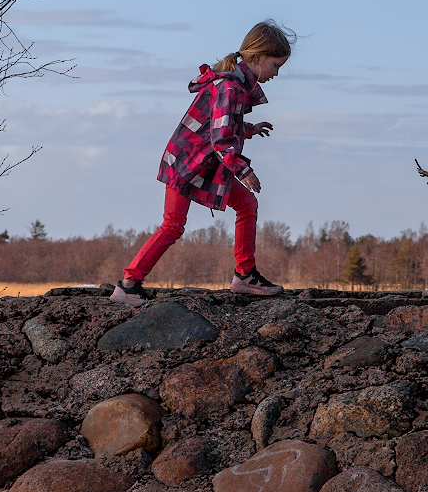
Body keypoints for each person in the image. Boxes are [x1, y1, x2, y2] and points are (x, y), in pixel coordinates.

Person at [113, 21, 295, 305]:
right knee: (172, 226)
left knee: (246, 204)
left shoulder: (233, 83)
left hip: (197, 162)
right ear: (257, 58)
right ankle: (128, 285)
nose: (276, 73)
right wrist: (244, 171)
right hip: (186, 165)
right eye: (276, 65)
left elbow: (217, 125)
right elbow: (221, 140)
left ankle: (244, 276)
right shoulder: (231, 86)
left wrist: (248, 129)